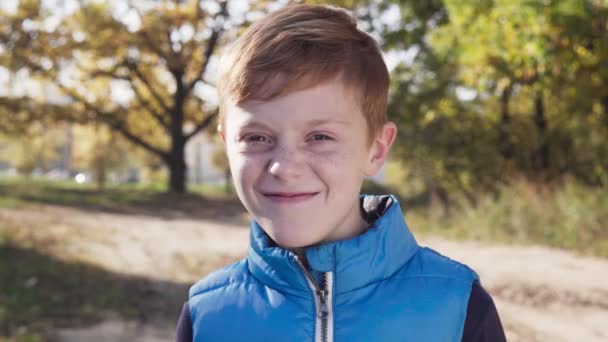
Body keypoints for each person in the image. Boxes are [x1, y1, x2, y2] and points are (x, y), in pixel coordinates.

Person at [176, 4, 506, 342]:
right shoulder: (207, 316)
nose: (285, 167)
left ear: (376, 149)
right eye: (257, 138)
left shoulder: (458, 307)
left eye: (319, 137)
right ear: (226, 144)